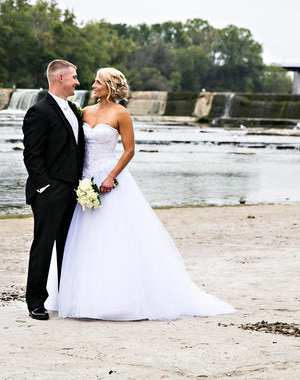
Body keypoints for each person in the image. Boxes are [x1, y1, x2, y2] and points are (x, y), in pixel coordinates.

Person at [45, 67, 234, 320]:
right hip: (84, 180)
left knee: (110, 237)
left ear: (109, 86)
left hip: (109, 179)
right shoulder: (85, 112)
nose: (92, 85)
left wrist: (111, 176)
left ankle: (115, 298)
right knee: (80, 239)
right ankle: (79, 296)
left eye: (98, 82)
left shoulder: (121, 114)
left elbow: (129, 150)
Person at [22, 60, 85, 320]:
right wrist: (45, 187)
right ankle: (36, 301)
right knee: (44, 245)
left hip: (74, 191)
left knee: (68, 247)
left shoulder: (74, 109)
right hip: (50, 192)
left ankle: (64, 297)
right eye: (74, 77)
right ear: (59, 78)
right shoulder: (39, 111)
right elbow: (32, 155)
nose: (77, 82)